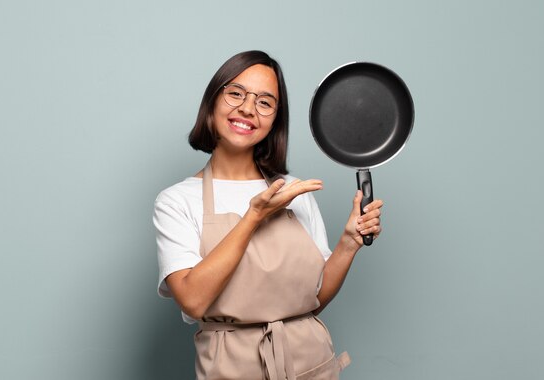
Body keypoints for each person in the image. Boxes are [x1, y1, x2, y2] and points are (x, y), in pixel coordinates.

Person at [154, 50, 383, 379]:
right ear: (212, 103)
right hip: (231, 367)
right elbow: (193, 300)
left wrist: (348, 243)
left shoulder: (294, 191)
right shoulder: (177, 201)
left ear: (275, 119)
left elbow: (313, 300)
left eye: (265, 102)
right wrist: (254, 217)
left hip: (310, 362)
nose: (247, 108)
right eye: (235, 93)